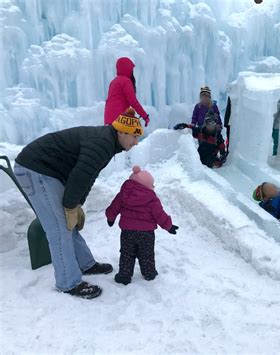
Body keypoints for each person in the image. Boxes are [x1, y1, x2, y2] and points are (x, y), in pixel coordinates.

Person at [14, 108, 144, 299]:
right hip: (36, 169)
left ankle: (85, 264)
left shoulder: (108, 143)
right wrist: (70, 206)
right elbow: (79, 177)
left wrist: (77, 205)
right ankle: (68, 283)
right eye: (134, 136)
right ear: (122, 132)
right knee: (59, 227)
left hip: (48, 172)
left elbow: (88, 177)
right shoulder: (103, 143)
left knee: (68, 222)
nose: (135, 142)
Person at [105, 166, 178, 285]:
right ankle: (149, 273)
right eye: (152, 184)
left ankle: (124, 276)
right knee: (146, 254)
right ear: (145, 186)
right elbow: (160, 215)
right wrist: (169, 226)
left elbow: (113, 208)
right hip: (146, 234)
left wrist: (110, 218)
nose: (153, 187)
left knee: (127, 253)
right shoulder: (152, 199)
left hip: (127, 232)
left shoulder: (122, 195)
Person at [104, 57, 150, 127]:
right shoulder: (126, 81)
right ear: (127, 69)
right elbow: (133, 102)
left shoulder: (113, 82)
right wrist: (144, 115)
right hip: (119, 120)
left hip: (108, 120)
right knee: (131, 136)